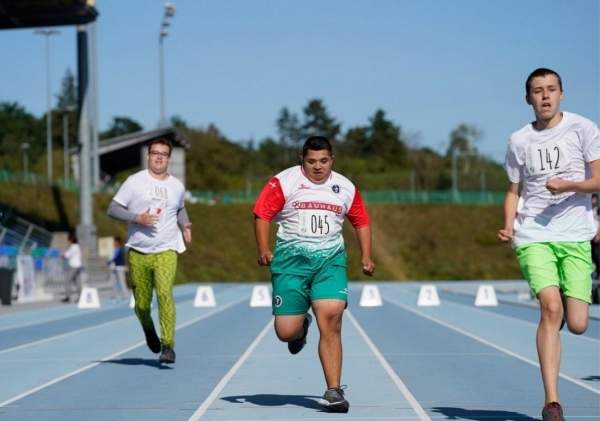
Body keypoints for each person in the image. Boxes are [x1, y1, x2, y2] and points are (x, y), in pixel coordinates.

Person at [498, 68, 600, 421]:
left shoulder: (583, 128)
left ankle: (551, 326)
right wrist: (508, 226)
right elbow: (513, 191)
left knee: (578, 323)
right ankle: (552, 402)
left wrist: (569, 186)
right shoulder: (518, 140)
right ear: (528, 98)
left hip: (574, 235)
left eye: (551, 89)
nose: (545, 96)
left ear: (562, 94)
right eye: (538, 91)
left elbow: (598, 180)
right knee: (551, 309)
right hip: (534, 234)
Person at [253, 135, 375, 413]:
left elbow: (361, 220)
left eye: (323, 161)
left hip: (329, 263)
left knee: (331, 320)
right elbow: (262, 215)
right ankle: (300, 328)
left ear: (332, 159)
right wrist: (263, 247)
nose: (317, 167)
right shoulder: (284, 182)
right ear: (302, 160)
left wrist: (366, 255)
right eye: (311, 161)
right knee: (285, 332)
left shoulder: (345, 187)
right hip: (290, 264)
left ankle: (334, 391)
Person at [107, 138, 192, 364]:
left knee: (165, 295)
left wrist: (185, 225)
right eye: (155, 153)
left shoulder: (176, 186)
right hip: (138, 251)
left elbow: (180, 208)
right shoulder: (134, 182)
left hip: (166, 249)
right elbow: (113, 209)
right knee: (142, 305)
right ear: (148, 156)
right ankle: (148, 328)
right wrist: (137, 217)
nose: (159, 157)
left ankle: (168, 346)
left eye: (163, 154)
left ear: (169, 159)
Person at [62, 232, 83, 303]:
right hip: (78, 266)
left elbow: (67, 255)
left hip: (74, 266)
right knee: (77, 282)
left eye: (68, 240)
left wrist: (63, 255)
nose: (68, 241)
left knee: (67, 280)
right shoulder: (77, 246)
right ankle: (81, 296)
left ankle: (68, 297)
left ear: (71, 240)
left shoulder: (73, 247)